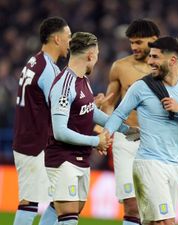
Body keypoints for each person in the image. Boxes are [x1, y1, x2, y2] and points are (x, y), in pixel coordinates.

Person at [105, 36, 178, 225]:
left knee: (155, 223)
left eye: (155, 57)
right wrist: (104, 136)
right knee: (166, 222)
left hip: (173, 165)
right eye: (150, 57)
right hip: (148, 163)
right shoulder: (141, 87)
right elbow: (118, 114)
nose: (149, 62)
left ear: (172, 61)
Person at [45, 31, 137, 225]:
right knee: (68, 216)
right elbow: (59, 131)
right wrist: (96, 141)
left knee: (67, 211)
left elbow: (91, 113)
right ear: (90, 55)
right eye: (97, 56)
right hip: (63, 158)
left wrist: (124, 129)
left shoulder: (83, 81)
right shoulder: (65, 84)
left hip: (81, 157)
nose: (96, 61)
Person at [99, 19, 178, 225]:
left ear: (154, 40)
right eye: (131, 43)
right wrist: (103, 124)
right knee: (131, 205)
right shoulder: (120, 67)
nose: (134, 47)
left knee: (155, 208)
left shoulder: (175, 68)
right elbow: (111, 104)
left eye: (139, 42)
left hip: (156, 142)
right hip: (127, 138)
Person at [12, 16, 71, 225]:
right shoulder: (49, 70)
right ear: (56, 39)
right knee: (29, 202)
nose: (69, 42)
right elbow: (61, 111)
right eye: (68, 37)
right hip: (34, 145)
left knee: (62, 197)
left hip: (27, 140)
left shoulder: (34, 61)